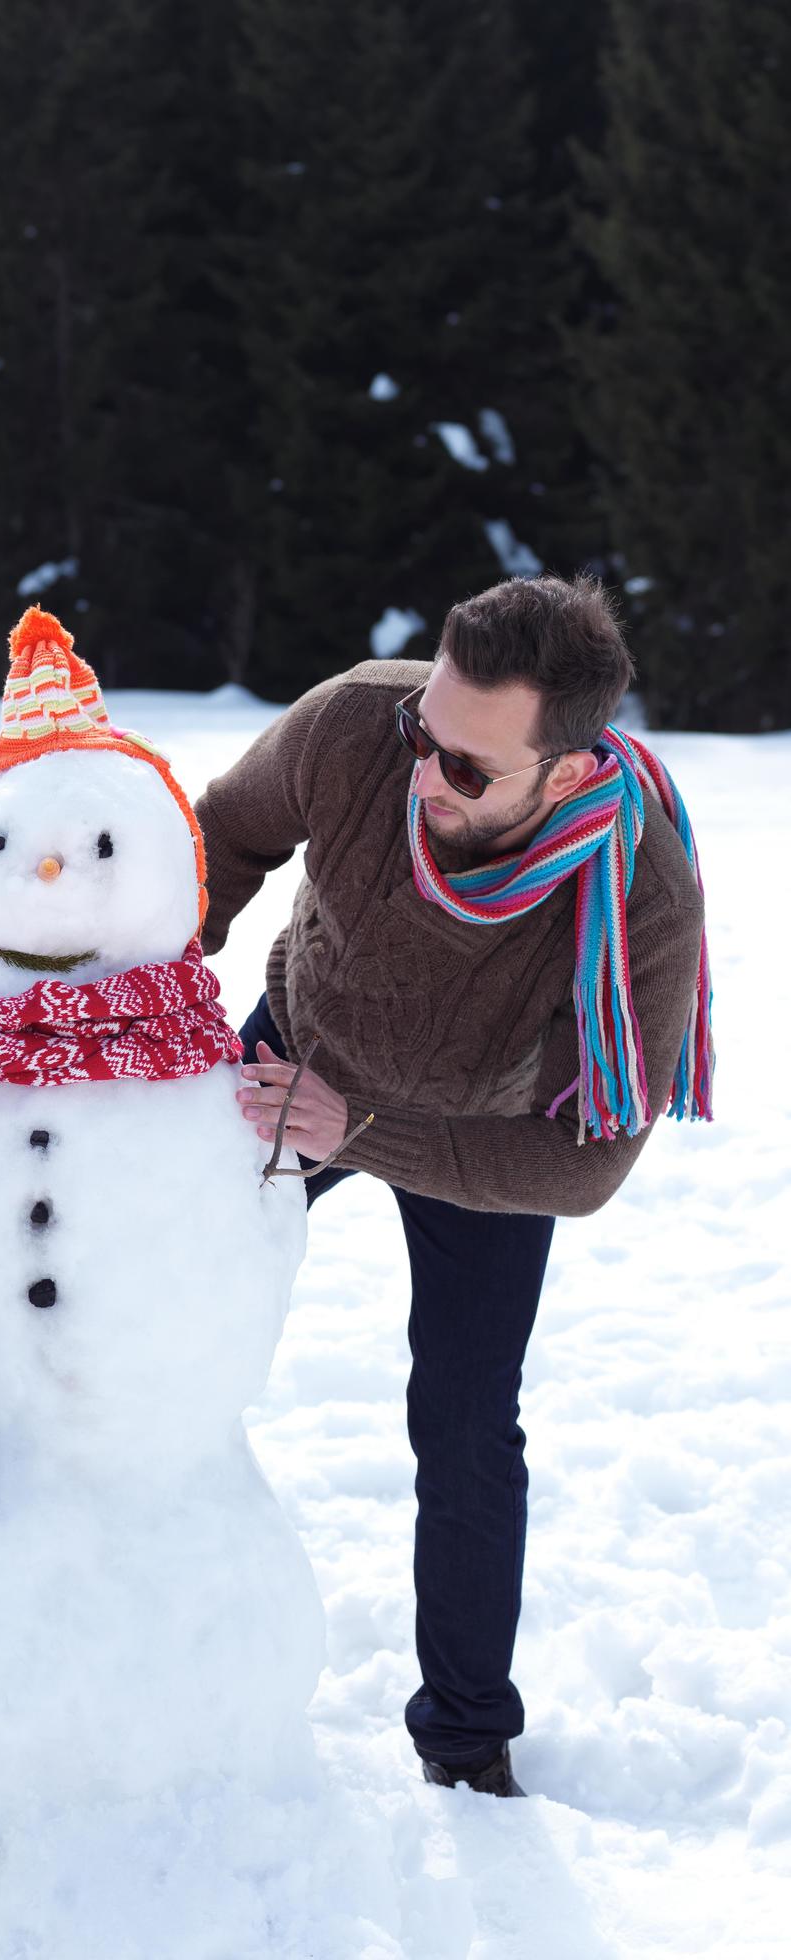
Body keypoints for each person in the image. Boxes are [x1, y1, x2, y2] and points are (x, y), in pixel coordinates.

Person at [195, 574, 712, 1797]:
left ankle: (468, 1740)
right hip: (299, 1053)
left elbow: (588, 1163)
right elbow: (218, 841)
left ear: (570, 772)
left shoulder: (641, 894)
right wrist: (143, 992)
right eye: (425, 734)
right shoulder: (352, 728)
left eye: (470, 770)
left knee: (466, 1426)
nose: (427, 773)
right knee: (141, 1315)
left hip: (491, 1136)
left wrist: (363, 1131)